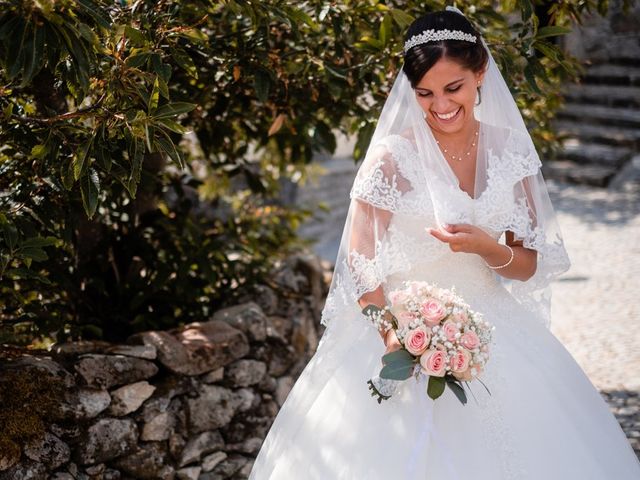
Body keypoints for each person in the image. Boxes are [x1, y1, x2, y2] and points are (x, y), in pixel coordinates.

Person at [248, 6, 640, 479]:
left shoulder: (511, 151)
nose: (440, 105)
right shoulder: (392, 158)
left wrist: (487, 249)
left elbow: (532, 263)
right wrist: (392, 334)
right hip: (397, 333)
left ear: (480, 73)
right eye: (424, 93)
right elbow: (358, 260)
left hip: (493, 334)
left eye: (453, 88)